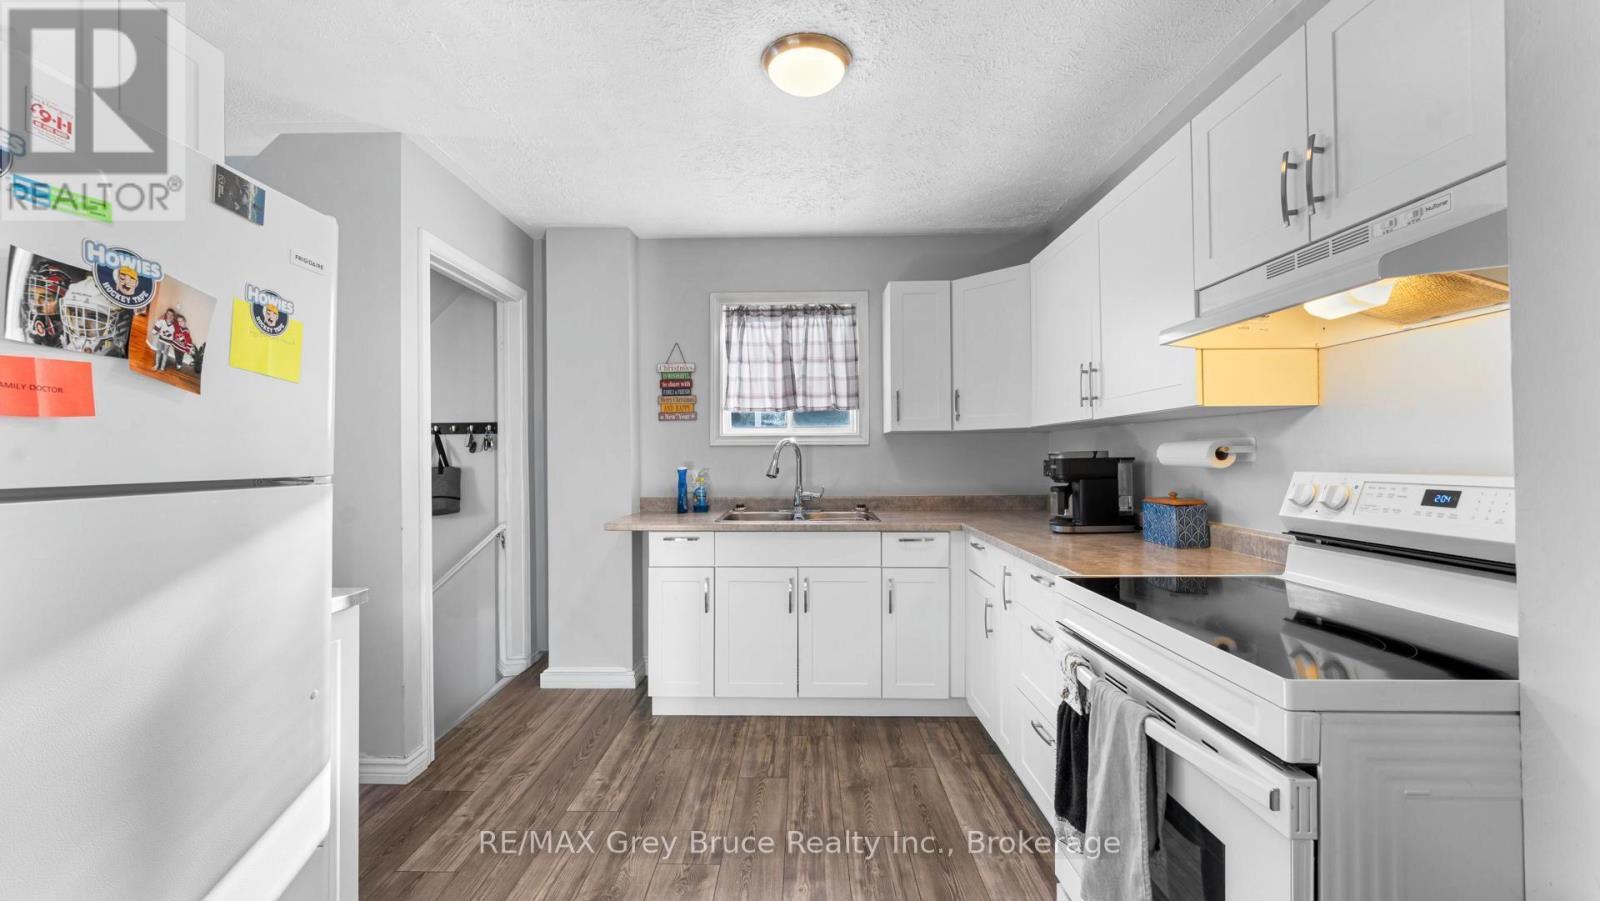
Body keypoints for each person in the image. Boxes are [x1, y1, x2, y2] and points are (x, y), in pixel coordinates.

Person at [23, 261, 71, 348]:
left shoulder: (71, 342)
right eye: (33, 296)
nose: (37, 303)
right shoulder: (21, 331)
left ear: (63, 301)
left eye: (46, 298)